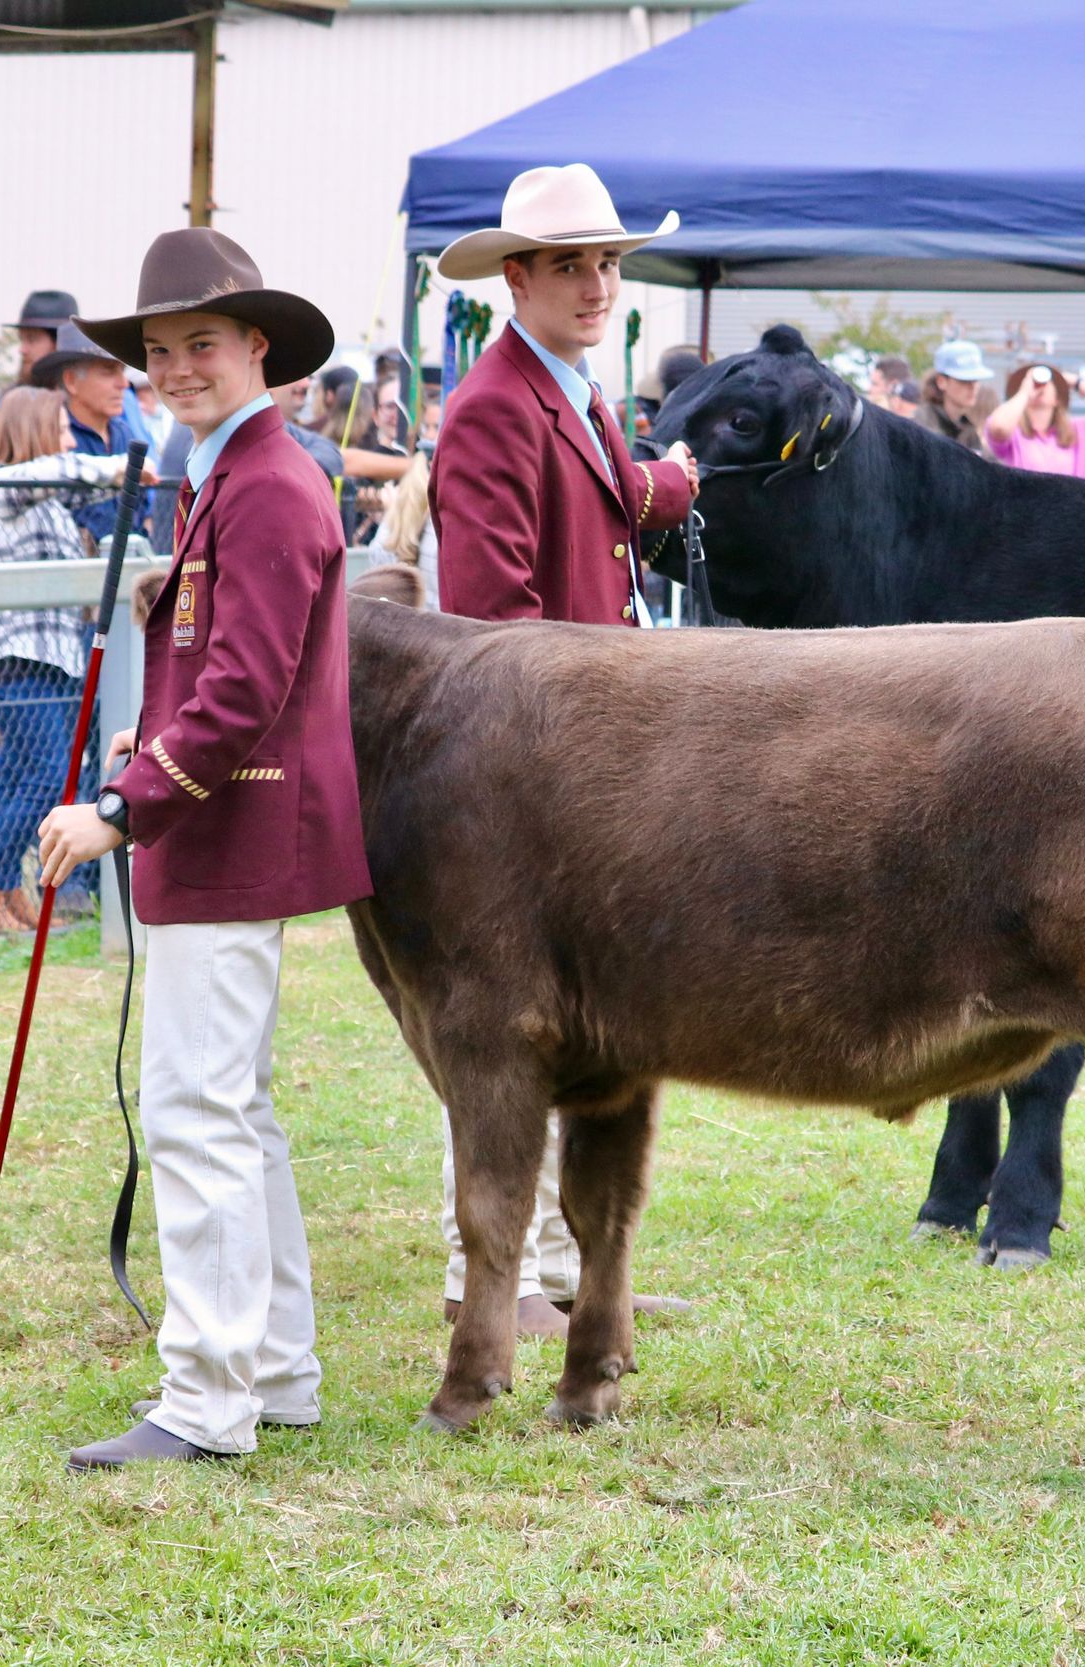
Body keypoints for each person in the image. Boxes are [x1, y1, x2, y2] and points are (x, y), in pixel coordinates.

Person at [45, 228, 367, 1470]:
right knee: (235, 1107)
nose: (178, 367)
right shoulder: (231, 472)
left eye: (202, 344)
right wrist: (155, 728)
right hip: (226, 820)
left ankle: (208, 1399)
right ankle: (273, 1372)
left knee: (196, 1111)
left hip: (228, 830)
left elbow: (245, 690)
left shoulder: (268, 481)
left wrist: (123, 805)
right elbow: (225, 673)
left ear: (257, 348)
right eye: (160, 350)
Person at [431, 162, 702, 1334]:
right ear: (517, 278)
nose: (596, 285)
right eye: (571, 266)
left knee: (583, 1018)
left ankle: (566, 1268)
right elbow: (496, 623)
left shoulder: (568, 389)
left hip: (588, 757)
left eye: (607, 263)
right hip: (532, 765)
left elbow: (599, 501)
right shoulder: (494, 405)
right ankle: (486, 1277)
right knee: (508, 1024)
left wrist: (663, 489)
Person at [0, 386, 137, 934]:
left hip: (53, 656)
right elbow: (59, 471)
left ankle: (2, 888)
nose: (69, 439)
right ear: (32, 429)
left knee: (30, 774)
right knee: (46, 770)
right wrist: (120, 466)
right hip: (11, 652)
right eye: (62, 428)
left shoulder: (47, 500)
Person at [31, 322, 149, 545]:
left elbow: (142, 507)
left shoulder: (124, 434)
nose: (123, 383)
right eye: (108, 371)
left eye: (122, 371)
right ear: (71, 381)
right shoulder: (52, 437)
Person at [985, 361, 1085, 478]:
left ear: (1058, 398)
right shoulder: (1015, 433)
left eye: (1049, 383)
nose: (1040, 386)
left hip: (1071, 502)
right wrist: (1025, 392)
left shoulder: (1078, 431)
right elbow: (999, 428)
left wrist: (1074, 382)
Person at [914, 340, 998, 455]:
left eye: (976, 380)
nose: (973, 387)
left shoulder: (967, 429)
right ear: (941, 382)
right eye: (964, 380)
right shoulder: (923, 424)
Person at [8, 289, 78, 384]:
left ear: (60, 343)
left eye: (31, 339)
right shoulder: (13, 393)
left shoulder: (87, 392)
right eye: (22, 339)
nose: (22, 350)